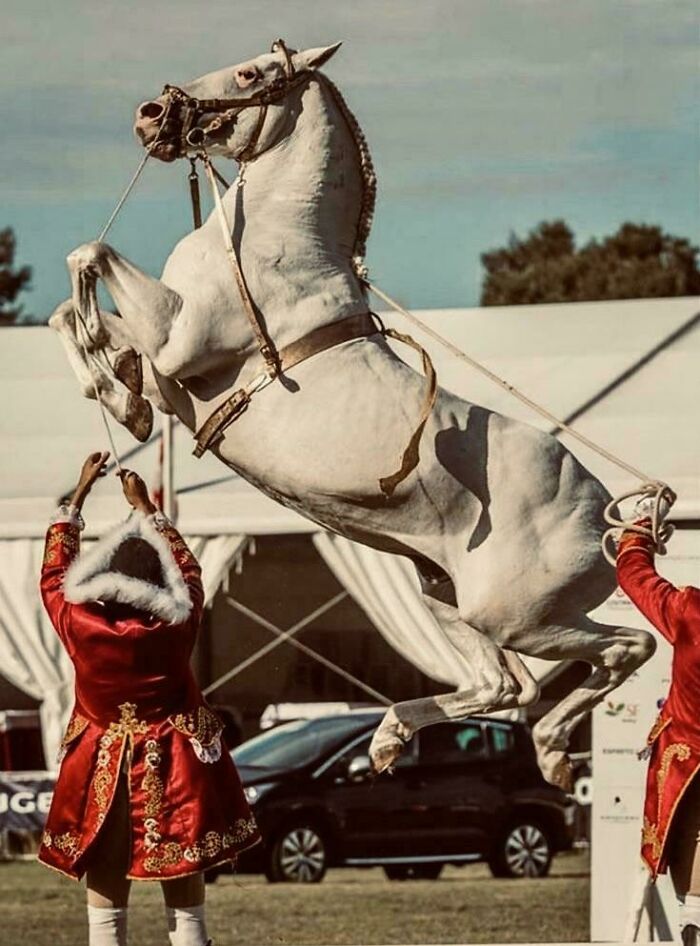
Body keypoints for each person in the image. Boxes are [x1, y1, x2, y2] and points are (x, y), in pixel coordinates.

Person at [38, 451, 260, 946]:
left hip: (100, 768)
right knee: (186, 911)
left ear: (101, 579)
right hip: (176, 770)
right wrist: (148, 512)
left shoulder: (79, 623)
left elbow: (53, 576)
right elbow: (192, 571)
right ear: (160, 582)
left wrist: (77, 497)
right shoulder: (177, 623)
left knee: (106, 908)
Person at [616, 495, 700, 945]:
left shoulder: (692, 612)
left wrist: (638, 533)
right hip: (688, 757)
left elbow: (634, 575)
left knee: (688, 840)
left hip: (688, 757)